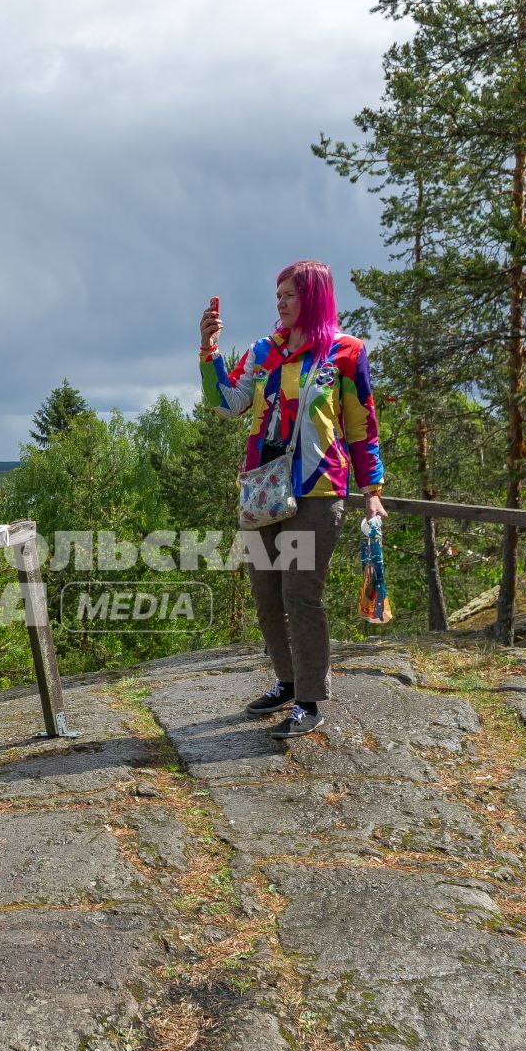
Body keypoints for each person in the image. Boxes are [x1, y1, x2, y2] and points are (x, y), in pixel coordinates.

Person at [200, 261, 385, 738]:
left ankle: (309, 700)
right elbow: (226, 402)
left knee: (300, 594)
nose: (279, 302)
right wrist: (209, 349)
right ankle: (285, 682)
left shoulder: (346, 353)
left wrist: (373, 490)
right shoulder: (264, 352)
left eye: (288, 294)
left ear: (314, 297)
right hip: (263, 489)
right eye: (277, 294)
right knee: (265, 593)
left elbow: (362, 426)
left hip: (317, 491)